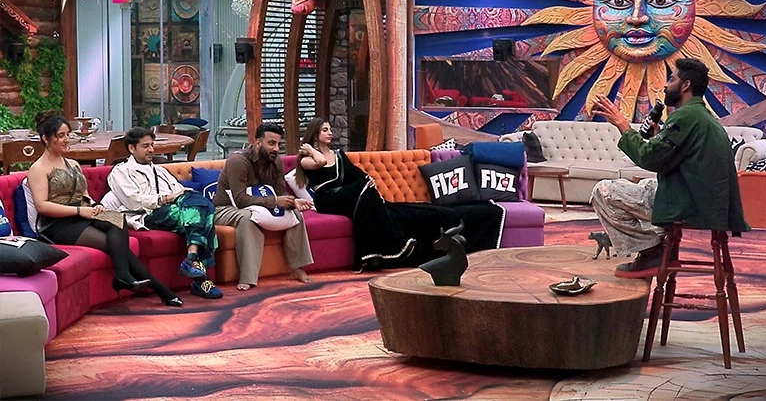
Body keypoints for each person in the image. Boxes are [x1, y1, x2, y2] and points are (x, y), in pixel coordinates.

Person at [590, 58, 749, 278]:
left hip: (691, 204)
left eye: (671, 79)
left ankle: (651, 251)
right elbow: (673, 156)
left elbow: (648, 158)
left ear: (685, 85)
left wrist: (622, 124)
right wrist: (658, 135)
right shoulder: (701, 116)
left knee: (603, 191)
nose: (665, 85)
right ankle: (661, 244)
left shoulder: (685, 116)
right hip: (706, 200)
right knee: (647, 184)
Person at [295, 118, 504, 272]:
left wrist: (368, 179)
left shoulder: (339, 155)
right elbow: (321, 163)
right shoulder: (306, 158)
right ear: (314, 134)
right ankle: (395, 243)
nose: (330, 133)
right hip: (328, 199)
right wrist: (310, 149)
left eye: (330, 129)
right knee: (363, 189)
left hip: (348, 195)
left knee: (393, 202)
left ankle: (386, 245)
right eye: (325, 130)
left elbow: (355, 174)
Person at [27, 111, 182, 307]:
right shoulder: (38, 169)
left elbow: (83, 195)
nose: (67, 139)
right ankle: (159, 289)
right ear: (46, 139)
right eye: (61, 135)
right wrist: (79, 211)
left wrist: (94, 205)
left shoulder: (72, 164)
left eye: (68, 134)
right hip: (57, 224)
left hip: (82, 214)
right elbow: (42, 206)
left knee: (118, 218)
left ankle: (124, 276)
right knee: (115, 245)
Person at [107, 127, 222, 300]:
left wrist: (183, 197)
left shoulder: (160, 171)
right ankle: (200, 278)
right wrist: (165, 199)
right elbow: (133, 201)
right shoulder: (120, 172)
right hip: (146, 215)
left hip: (174, 209)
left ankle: (192, 261)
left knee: (200, 207)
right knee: (203, 215)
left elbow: (181, 192)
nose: (151, 149)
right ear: (131, 148)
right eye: (145, 146)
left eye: (152, 145)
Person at [213, 122, 315, 291]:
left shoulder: (276, 162)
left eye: (278, 144)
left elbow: (280, 193)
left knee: (296, 214)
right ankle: (248, 277)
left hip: (259, 205)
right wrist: (275, 202)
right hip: (226, 208)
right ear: (258, 142)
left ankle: (297, 268)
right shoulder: (238, 162)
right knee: (248, 218)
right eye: (271, 143)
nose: (276, 149)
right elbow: (240, 200)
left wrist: (292, 202)